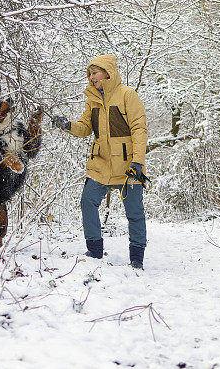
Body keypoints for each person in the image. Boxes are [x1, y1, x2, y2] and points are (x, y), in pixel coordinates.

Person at [52, 54, 148, 269]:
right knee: (88, 201)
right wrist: (67, 125)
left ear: (108, 73)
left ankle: (136, 259)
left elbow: (139, 129)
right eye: (90, 74)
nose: (92, 77)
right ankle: (94, 251)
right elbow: (85, 128)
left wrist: (138, 162)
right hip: (101, 163)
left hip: (128, 165)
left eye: (95, 73)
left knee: (134, 212)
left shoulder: (127, 95)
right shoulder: (92, 99)